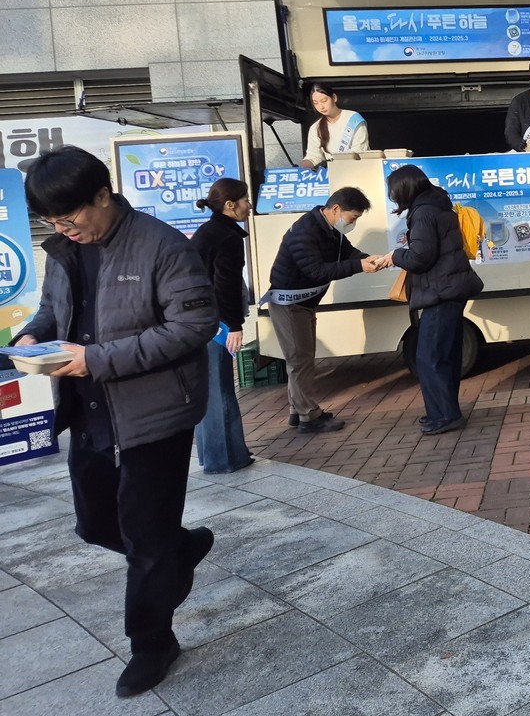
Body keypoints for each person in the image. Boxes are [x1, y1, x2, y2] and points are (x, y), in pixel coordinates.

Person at [14, 146, 218, 697]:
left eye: (71, 216)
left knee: (145, 539)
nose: (63, 228)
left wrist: (98, 359)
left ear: (103, 196)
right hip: (88, 410)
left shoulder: (162, 245)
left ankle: (152, 642)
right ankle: (182, 549)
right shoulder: (62, 250)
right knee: (96, 524)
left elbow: (196, 323)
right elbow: (55, 310)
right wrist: (32, 335)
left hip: (154, 415)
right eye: (52, 221)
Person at [265, 187, 387, 433]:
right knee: (300, 361)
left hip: (303, 304)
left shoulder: (329, 230)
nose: (352, 223)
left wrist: (367, 259)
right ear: (335, 209)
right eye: (352, 217)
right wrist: (358, 266)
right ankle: (309, 417)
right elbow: (317, 271)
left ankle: (298, 410)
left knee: (302, 359)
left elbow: (347, 252)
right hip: (290, 304)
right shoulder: (304, 232)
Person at [386, 165, 480, 435]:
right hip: (450, 289)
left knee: (429, 358)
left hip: (441, 292)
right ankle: (444, 412)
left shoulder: (424, 213)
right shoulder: (438, 204)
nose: (393, 196)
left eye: (394, 190)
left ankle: (445, 416)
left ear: (405, 188)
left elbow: (420, 257)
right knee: (445, 356)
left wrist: (394, 256)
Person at [190, 178, 255, 474]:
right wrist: (234, 324)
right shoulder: (226, 237)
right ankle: (226, 458)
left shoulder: (208, 232)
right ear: (230, 205)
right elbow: (225, 284)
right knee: (220, 390)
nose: (249, 206)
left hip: (195, 321)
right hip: (214, 323)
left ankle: (211, 453)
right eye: (245, 201)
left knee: (208, 390)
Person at [299, 83, 369, 168]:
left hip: (359, 169)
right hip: (333, 173)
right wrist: (302, 168)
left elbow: (360, 150)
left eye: (324, 101)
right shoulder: (315, 128)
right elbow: (313, 156)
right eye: (316, 103)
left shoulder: (353, 119)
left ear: (334, 98)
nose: (321, 106)